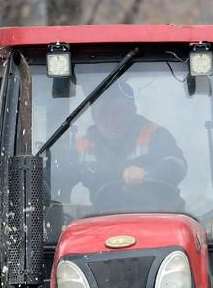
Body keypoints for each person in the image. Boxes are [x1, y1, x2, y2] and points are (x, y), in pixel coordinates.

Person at [55, 81, 187, 211]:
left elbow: (177, 165)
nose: (111, 121)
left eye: (119, 112)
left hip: (157, 218)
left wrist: (147, 172)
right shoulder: (82, 147)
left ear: (132, 111)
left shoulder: (154, 135)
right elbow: (57, 179)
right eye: (103, 113)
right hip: (104, 223)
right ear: (93, 116)